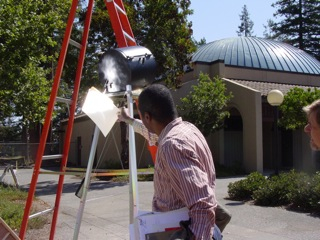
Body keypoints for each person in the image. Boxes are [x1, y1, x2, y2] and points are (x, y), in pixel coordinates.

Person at [118, 84, 224, 239]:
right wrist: (129, 120)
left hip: (178, 230)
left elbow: (202, 204)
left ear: (147, 117)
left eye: (141, 116)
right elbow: (154, 136)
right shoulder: (186, 129)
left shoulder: (172, 145)